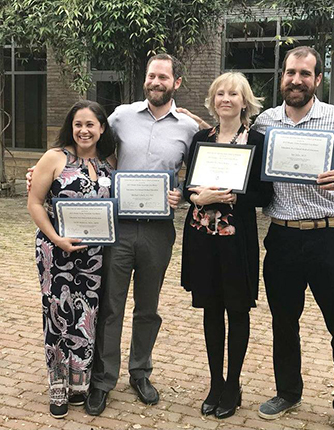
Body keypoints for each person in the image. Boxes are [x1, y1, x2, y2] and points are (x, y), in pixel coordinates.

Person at [252, 46, 334, 430]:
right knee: (284, 323)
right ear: (282, 77)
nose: (296, 80)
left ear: (318, 79)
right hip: (283, 238)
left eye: (305, 74)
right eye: (290, 73)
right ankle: (288, 392)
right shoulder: (265, 123)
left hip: (330, 237)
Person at [85, 53, 199, 415]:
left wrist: (180, 191)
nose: (156, 82)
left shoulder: (190, 128)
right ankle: (103, 379)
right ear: (145, 80)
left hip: (158, 231)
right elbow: (90, 145)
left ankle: (140, 372)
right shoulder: (120, 116)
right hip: (117, 227)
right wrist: (51, 168)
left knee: (147, 308)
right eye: (151, 76)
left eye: (163, 77)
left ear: (176, 83)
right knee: (111, 305)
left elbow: (195, 173)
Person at [181, 72, 272, 419]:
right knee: (210, 309)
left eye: (234, 93)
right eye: (220, 93)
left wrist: (237, 195)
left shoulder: (258, 141)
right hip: (203, 237)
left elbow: (267, 193)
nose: (226, 99)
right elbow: (190, 185)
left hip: (237, 239)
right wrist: (196, 196)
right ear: (212, 100)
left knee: (237, 309)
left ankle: (233, 383)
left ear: (245, 101)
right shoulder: (201, 138)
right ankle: (215, 382)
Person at [27, 100, 116, 419]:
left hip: (93, 257)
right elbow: (35, 202)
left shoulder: (108, 163)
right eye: (78, 124)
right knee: (57, 316)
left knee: (86, 315)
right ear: (71, 127)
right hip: (56, 253)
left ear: (102, 128)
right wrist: (56, 238)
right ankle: (57, 383)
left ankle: (80, 382)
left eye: (91, 124)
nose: (84, 130)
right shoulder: (55, 158)